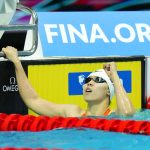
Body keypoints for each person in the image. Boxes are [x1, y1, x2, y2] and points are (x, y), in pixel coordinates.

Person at [2, 46, 135, 117]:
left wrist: (114, 75)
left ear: (108, 91)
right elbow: (33, 101)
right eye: (88, 79)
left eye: (98, 80)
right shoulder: (73, 112)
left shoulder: (113, 117)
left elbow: (128, 113)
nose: (89, 83)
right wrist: (17, 62)